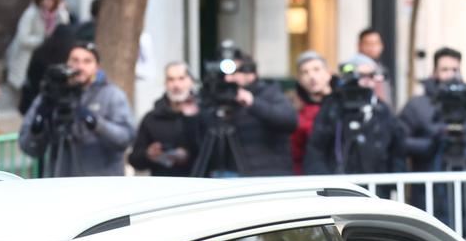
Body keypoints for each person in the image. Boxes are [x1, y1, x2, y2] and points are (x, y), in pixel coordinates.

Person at [19, 42, 135, 177]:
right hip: (60, 184)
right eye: (75, 60)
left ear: (97, 67)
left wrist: (95, 123)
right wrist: (39, 124)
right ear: (66, 63)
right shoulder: (51, 96)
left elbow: (125, 138)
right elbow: (28, 147)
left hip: (100, 185)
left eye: (87, 61)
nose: (80, 66)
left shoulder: (112, 95)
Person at [196, 48, 297, 176]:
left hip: (267, 176)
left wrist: (252, 103)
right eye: (225, 74)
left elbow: (289, 121)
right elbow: (203, 141)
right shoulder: (221, 100)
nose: (228, 79)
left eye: (234, 73)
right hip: (230, 176)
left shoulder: (270, 93)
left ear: (251, 74)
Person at [303, 55, 404, 175]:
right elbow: (316, 150)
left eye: (371, 75)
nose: (367, 81)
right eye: (362, 76)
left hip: (375, 186)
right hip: (339, 185)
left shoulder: (381, 109)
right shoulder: (333, 107)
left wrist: (391, 186)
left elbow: (396, 152)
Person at [398, 47, 466, 174]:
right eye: (444, 69)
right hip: (429, 181)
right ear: (435, 72)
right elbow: (400, 141)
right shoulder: (417, 105)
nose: (450, 74)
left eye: (455, 70)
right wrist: (431, 143)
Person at [128, 62, 200, 176]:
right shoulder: (151, 118)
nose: (176, 85)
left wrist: (188, 154)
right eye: (171, 79)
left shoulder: (204, 114)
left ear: (190, 81)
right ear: (165, 83)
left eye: (181, 78)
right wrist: (149, 154)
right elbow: (134, 158)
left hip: (200, 184)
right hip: (163, 183)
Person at [6, 0, 70, 92]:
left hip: (49, 59)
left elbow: (63, 33)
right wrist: (43, 39)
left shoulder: (60, 14)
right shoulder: (31, 13)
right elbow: (22, 38)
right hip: (29, 58)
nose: (47, 2)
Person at [19, 24, 77, 115]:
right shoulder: (69, 57)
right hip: (53, 100)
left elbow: (31, 75)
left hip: (36, 99)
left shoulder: (40, 51)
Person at [291, 51, 331, 175]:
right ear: (299, 79)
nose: (312, 76)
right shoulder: (296, 112)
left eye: (316, 69)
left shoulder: (343, 104)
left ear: (328, 73)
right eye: (305, 72)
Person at [357, 27, 392, 104]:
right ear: (359, 45)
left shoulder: (382, 69)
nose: (372, 47)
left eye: (375, 43)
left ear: (381, 46)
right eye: (368, 44)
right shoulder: (354, 66)